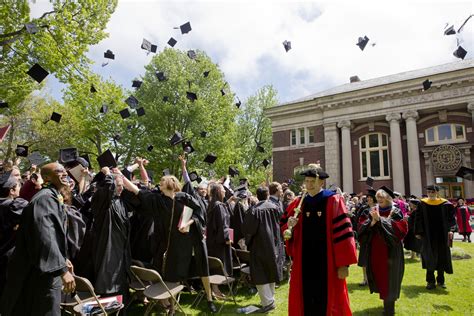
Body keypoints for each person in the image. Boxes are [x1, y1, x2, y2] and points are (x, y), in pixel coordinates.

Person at [0, 162, 75, 316]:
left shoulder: (53, 196)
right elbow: (44, 235)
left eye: (65, 170)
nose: (65, 173)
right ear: (46, 177)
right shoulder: (45, 198)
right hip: (43, 273)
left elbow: (54, 233)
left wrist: (63, 258)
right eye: (59, 171)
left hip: (47, 269)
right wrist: (61, 269)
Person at [282, 163, 357, 316]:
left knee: (330, 302)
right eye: (306, 181)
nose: (308, 185)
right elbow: (285, 228)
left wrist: (343, 264)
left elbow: (344, 233)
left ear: (321, 182)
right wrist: (291, 226)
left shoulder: (333, 201)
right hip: (304, 262)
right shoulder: (299, 203)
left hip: (328, 262)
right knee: (305, 300)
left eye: (312, 181)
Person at [358, 187, 408, 315]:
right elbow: (362, 229)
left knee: (390, 279)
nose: (378, 199)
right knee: (380, 277)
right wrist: (373, 222)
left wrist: (381, 221)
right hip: (376, 251)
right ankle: (386, 304)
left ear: (388, 198)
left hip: (391, 252)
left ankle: (389, 309)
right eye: (378, 197)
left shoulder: (396, 212)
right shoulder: (373, 211)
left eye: (381, 197)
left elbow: (400, 230)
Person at [242, 186, 282, 313]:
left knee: (260, 274)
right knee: (271, 270)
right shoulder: (275, 207)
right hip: (274, 245)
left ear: (257, 196)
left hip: (259, 246)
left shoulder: (254, 210)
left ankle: (268, 302)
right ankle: (270, 299)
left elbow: (248, 230)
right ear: (268, 195)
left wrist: (247, 242)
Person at [415, 185, 456, 290]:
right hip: (428, 235)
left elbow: (451, 219)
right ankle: (430, 281)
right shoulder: (422, 203)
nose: (430, 193)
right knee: (429, 257)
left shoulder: (446, 204)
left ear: (437, 192)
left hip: (442, 235)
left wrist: (451, 231)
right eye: (429, 191)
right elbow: (418, 219)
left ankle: (441, 281)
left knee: (442, 257)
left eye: (432, 191)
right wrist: (418, 232)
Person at [0, 173, 28, 297]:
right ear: (11, 190)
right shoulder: (13, 206)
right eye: (18, 186)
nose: (20, 188)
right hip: (8, 256)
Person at [206, 182, 233, 299]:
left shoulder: (212, 204)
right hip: (220, 242)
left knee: (214, 265)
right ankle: (215, 291)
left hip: (212, 241)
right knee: (218, 266)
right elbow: (223, 225)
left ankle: (214, 289)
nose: (224, 191)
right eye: (222, 189)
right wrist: (228, 238)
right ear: (217, 191)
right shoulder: (219, 206)